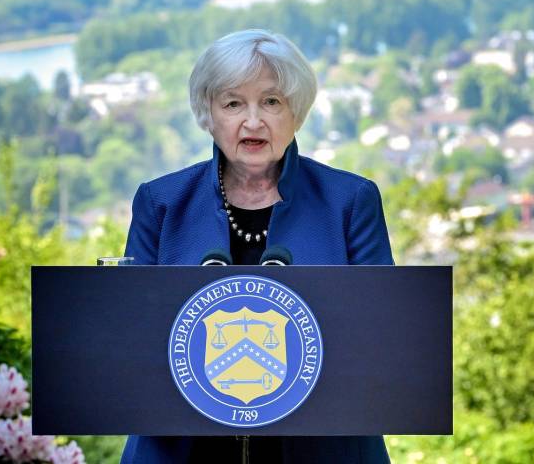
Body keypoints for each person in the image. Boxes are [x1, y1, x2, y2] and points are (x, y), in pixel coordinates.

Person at [120, 29, 394, 464]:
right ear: (208, 114)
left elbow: (384, 337)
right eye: (233, 104)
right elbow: (127, 341)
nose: (253, 121)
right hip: (184, 451)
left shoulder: (350, 201)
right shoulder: (160, 203)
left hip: (323, 451)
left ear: (295, 112)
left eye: (271, 101)